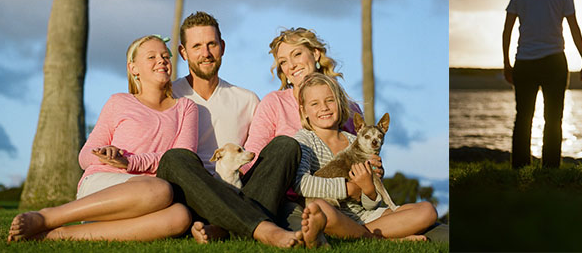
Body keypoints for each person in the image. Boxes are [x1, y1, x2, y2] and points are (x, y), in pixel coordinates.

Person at [154, 12, 325, 248]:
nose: (205, 53)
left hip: (238, 191)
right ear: (183, 53)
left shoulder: (247, 99)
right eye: (197, 46)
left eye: (211, 44)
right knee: (175, 158)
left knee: (286, 144)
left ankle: (223, 229)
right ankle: (264, 229)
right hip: (190, 195)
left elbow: (257, 160)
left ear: (222, 47)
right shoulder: (168, 95)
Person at [8, 35, 197, 242]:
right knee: (160, 190)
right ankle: (47, 217)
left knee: (180, 217)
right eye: (151, 57)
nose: (161, 60)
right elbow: (85, 156)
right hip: (104, 190)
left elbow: (182, 159)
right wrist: (106, 154)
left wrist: (130, 162)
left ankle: (55, 235)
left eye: (164, 56)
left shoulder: (186, 108)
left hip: (151, 199)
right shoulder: (119, 102)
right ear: (133, 68)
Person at [293, 73, 437, 240]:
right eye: (315, 103)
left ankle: (362, 234)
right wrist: (349, 188)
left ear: (340, 103)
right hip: (333, 216)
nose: (324, 107)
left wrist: (368, 188)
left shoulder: (359, 141)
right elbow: (300, 184)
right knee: (320, 209)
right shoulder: (304, 140)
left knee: (427, 210)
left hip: (368, 218)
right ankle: (385, 238)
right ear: (304, 111)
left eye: (330, 100)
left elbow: (371, 204)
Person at [503, 0, 582, 168]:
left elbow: (507, 30)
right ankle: (550, 167)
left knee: (523, 117)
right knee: (554, 118)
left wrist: (506, 63)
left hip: (524, 61)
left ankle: (520, 166)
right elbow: (574, 28)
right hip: (554, 61)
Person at [244, 28, 364, 167]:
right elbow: (253, 154)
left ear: (315, 53)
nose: (292, 65)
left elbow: (366, 156)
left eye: (297, 54)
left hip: (338, 185)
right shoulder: (275, 103)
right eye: (283, 62)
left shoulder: (349, 109)